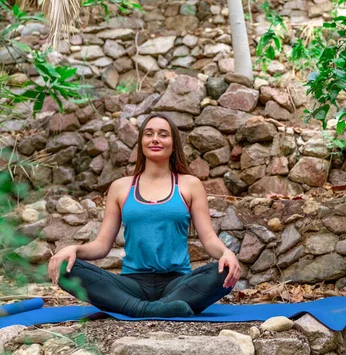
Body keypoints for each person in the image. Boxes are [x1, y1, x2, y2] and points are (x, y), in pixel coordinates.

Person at [47, 113, 241, 318]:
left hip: (177, 284)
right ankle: (156, 309)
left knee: (223, 272)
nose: (155, 139)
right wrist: (74, 248)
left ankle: (135, 308)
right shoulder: (120, 187)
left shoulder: (189, 184)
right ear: (141, 143)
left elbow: (209, 239)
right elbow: (102, 245)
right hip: (132, 284)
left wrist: (226, 253)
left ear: (173, 144)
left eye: (163, 134)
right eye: (149, 134)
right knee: (64, 268)